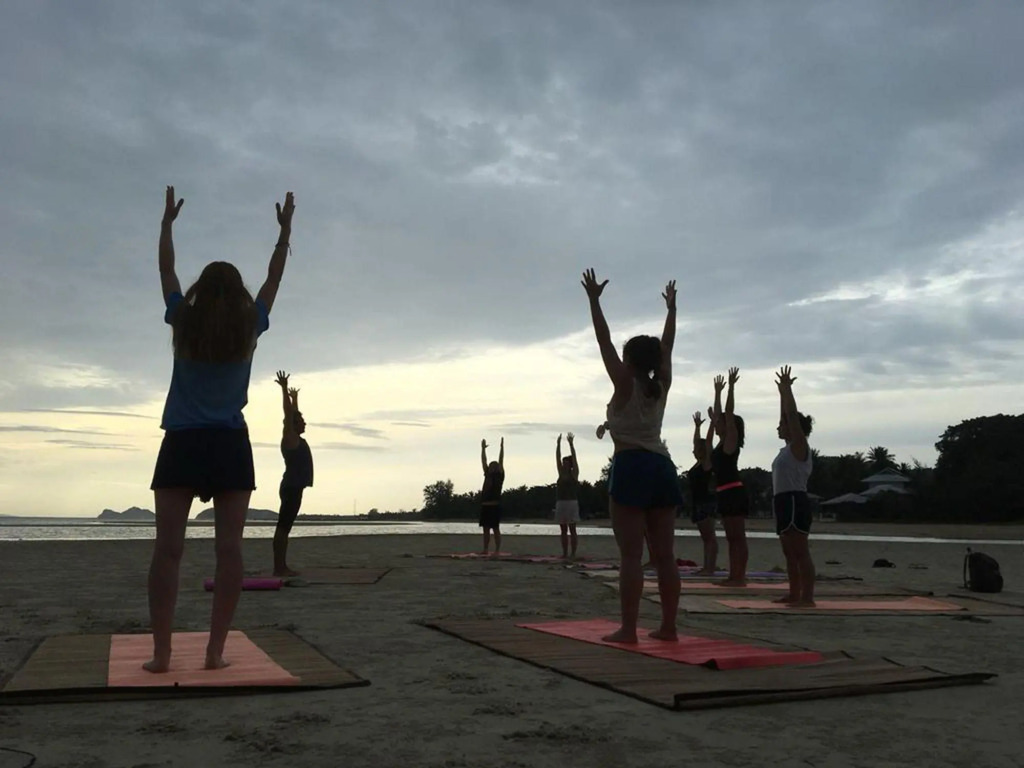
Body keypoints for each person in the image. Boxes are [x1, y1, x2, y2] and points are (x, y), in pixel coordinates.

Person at [146, 185, 294, 672]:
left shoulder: (182, 320)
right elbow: (274, 278)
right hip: (229, 443)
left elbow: (166, 271)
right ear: (237, 294)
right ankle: (214, 652)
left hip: (183, 441)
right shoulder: (250, 325)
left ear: (201, 292)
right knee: (229, 552)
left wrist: (167, 226)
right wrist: (284, 233)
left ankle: (162, 654)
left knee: (168, 552)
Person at [584, 269, 682, 643]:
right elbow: (667, 346)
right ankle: (668, 627)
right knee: (665, 556)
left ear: (628, 361)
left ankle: (628, 629)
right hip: (662, 467)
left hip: (631, 466)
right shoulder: (661, 384)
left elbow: (603, 341)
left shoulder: (625, 382)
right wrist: (672, 310)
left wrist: (594, 302)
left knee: (630, 555)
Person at [772, 366, 815, 606]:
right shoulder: (787, 449)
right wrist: (781, 394)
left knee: (800, 552)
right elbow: (786, 416)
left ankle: (807, 597)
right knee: (789, 553)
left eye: (783, 424)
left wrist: (788, 390)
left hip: (794, 501)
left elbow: (790, 415)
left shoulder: (799, 446)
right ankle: (794, 593)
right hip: (782, 501)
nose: (778, 427)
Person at [272, 370, 313, 577]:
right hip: (291, 487)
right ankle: (279, 567)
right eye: (302, 421)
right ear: (293, 425)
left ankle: (281, 566)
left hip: (295, 487)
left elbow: (293, 414)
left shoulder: (295, 436)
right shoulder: (290, 437)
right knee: (283, 527)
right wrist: (284, 390)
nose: (305, 423)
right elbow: (289, 415)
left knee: (285, 527)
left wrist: (295, 398)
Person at [711, 367, 748, 586]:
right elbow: (719, 416)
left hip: (733, 491)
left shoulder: (730, 441)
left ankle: (739, 577)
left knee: (737, 537)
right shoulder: (721, 442)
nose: (716, 424)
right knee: (731, 538)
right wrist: (717, 392)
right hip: (724, 493)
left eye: (721, 423)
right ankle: (734, 575)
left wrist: (731, 388)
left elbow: (728, 413)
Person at [688, 410, 718, 576]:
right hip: (698, 502)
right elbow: (696, 442)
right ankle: (707, 567)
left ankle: (709, 568)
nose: (694, 450)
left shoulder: (707, 463)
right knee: (706, 538)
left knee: (709, 537)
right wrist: (697, 427)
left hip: (706, 503)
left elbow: (708, 442)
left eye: (697, 448)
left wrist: (712, 423)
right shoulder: (698, 463)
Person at [554, 432, 581, 559]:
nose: (564, 464)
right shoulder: (561, 473)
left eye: (566, 463)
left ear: (570, 465)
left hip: (571, 502)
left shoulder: (574, 473)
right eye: (563, 463)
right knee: (563, 530)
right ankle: (564, 553)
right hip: (561, 502)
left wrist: (571, 444)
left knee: (572, 529)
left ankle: (573, 553)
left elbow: (575, 458)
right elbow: (557, 458)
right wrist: (558, 444)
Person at [479, 437, 505, 554]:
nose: (492, 467)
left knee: (495, 529)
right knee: (485, 529)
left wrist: (502, 448)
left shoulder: (499, 476)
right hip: (485, 505)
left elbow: (501, 460)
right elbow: (483, 461)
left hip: (494, 505)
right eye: (491, 465)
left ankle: (497, 550)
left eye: (495, 465)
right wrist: (483, 449)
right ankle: (485, 549)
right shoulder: (487, 474)